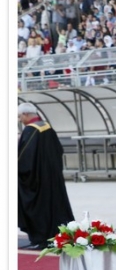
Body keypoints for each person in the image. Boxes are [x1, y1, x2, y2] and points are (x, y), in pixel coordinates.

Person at [18, 102, 74, 250]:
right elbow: (59, 150)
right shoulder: (47, 127)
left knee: (39, 208)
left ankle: (40, 238)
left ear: (25, 114)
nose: (19, 120)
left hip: (37, 180)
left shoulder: (31, 130)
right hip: (52, 178)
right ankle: (54, 236)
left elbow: (24, 158)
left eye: (20, 116)